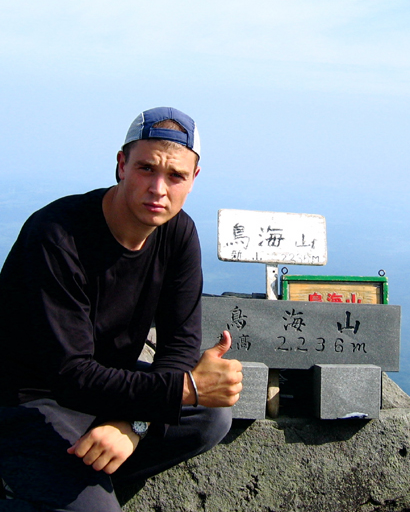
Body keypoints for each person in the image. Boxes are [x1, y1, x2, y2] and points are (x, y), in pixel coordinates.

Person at [0, 106, 243, 511]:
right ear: (121, 165)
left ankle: (79, 479)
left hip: (105, 392)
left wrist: (131, 426)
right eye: (147, 169)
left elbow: (179, 348)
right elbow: (70, 374)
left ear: (193, 179)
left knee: (211, 416)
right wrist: (183, 390)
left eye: (176, 176)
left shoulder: (178, 233)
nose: (159, 189)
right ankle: (46, 481)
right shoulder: (57, 235)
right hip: (31, 400)